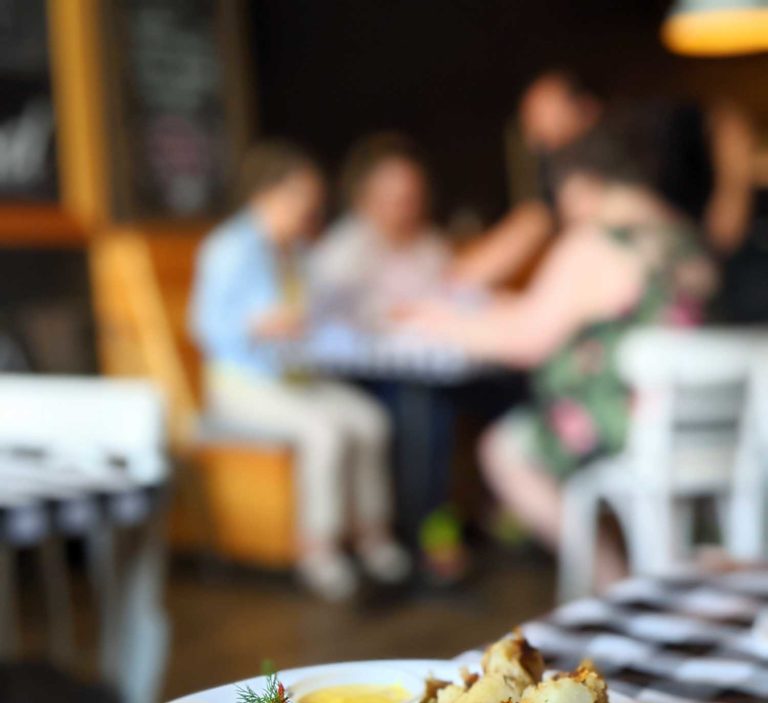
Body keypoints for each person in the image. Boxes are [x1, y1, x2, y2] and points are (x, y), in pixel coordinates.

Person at [402, 130, 716, 587]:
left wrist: (437, 321)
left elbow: (526, 339)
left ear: (583, 183)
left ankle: (615, 585)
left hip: (624, 425)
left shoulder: (596, 243)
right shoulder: (686, 237)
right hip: (701, 426)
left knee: (504, 449)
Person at [189, 139, 409, 600]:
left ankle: (372, 536)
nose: (309, 211)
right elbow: (204, 326)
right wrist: (259, 324)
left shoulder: (296, 252)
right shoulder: (229, 248)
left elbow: (321, 310)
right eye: (301, 199)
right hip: (241, 382)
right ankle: (318, 548)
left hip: (296, 377)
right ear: (267, 194)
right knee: (324, 431)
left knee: (370, 421)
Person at [454, 71, 753, 293]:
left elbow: (726, 118)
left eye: (540, 112)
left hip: (722, 258)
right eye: (528, 118)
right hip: (662, 283)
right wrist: (457, 278)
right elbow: (531, 223)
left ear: (585, 106)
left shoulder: (636, 122)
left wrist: (732, 196)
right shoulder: (558, 165)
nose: (534, 130)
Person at [310, 133, 450, 330]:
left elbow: (451, 291)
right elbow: (334, 318)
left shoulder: (429, 243)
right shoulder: (344, 250)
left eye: (411, 199)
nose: (405, 211)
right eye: (395, 200)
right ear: (365, 197)